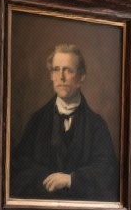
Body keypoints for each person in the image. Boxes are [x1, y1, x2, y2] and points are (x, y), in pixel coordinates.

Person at [10, 43, 119, 201]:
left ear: (81, 77)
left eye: (68, 70)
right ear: (51, 76)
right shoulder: (37, 120)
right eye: (56, 70)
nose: (61, 77)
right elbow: (19, 167)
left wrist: (71, 180)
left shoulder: (97, 125)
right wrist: (48, 178)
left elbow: (107, 171)